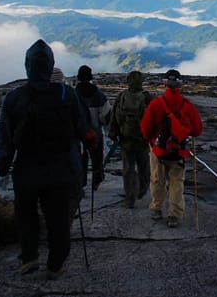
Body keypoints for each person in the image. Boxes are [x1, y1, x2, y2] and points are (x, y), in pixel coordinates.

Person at [0, 39, 96, 279]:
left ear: (27, 65)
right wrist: (90, 158)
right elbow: (85, 130)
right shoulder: (67, 94)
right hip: (62, 169)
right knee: (59, 220)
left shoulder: (15, 98)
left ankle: (29, 257)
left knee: (26, 216)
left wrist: (2, 170)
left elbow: (5, 139)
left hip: (26, 170)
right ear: (50, 64)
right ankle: (56, 263)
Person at [140, 69, 203, 228]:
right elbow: (197, 130)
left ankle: (156, 209)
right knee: (177, 182)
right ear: (180, 85)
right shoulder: (187, 105)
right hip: (179, 152)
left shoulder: (156, 104)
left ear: (165, 84)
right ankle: (174, 215)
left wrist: (151, 140)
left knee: (157, 179)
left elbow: (145, 127)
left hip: (159, 150)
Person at [110, 71, 153, 208]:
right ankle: (142, 190)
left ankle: (130, 198)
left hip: (125, 138)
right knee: (144, 167)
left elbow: (114, 117)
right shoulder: (146, 97)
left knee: (128, 169)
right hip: (142, 139)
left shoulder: (122, 96)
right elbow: (154, 118)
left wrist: (113, 132)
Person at [74, 65, 110, 193]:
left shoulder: (73, 94)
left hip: (78, 134)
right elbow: (105, 116)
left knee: (80, 160)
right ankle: (96, 180)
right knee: (97, 159)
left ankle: (81, 183)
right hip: (95, 133)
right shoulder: (98, 95)